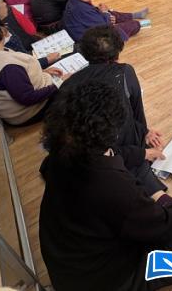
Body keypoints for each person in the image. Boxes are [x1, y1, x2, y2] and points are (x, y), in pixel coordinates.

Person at [39, 80, 172, 291]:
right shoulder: (112, 184)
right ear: (111, 132)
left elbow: (115, 154)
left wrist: (143, 153)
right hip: (103, 279)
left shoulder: (58, 155)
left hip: (68, 262)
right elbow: (159, 228)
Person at [61, 26, 166, 194]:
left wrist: (145, 132)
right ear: (117, 53)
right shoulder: (124, 72)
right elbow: (136, 110)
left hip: (89, 157)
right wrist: (143, 142)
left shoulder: (69, 84)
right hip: (111, 155)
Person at [63, 0, 147, 42]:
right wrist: (106, 14)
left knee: (111, 13)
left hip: (93, 28)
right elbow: (104, 27)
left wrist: (106, 14)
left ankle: (134, 15)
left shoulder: (74, 1)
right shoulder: (80, 8)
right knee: (135, 24)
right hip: (94, 40)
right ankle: (130, 19)